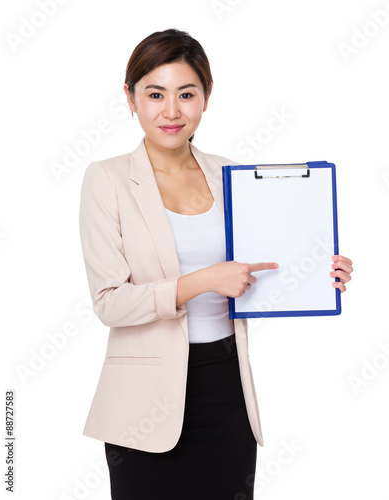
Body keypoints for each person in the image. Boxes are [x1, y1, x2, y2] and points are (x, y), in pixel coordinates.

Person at [79, 28, 353, 500]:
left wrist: (318, 272)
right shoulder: (107, 180)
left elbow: (257, 268)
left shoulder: (230, 175)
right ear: (130, 98)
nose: (171, 111)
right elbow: (109, 303)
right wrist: (200, 282)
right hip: (144, 400)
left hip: (226, 388)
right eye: (155, 94)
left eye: (186, 94)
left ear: (206, 97)